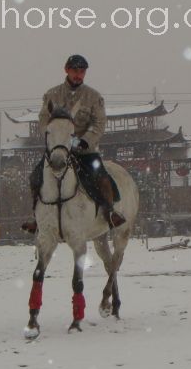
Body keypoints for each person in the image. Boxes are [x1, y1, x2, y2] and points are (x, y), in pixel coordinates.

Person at [22, 54, 126, 234]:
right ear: (66, 70)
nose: (78, 75)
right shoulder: (51, 95)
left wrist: (85, 140)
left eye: (82, 71)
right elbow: (43, 121)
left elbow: (99, 123)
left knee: (102, 177)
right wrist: (56, 140)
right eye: (75, 71)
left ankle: (109, 211)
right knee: (36, 176)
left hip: (84, 151)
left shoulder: (93, 97)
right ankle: (35, 216)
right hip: (58, 151)